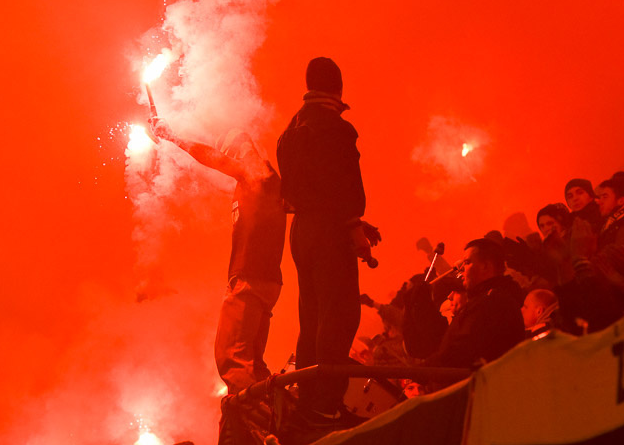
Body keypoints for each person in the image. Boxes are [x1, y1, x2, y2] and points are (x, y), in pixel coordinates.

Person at [277, 57, 380, 420]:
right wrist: (354, 225)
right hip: (329, 230)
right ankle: (327, 406)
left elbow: (301, 188)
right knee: (340, 315)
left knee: (312, 316)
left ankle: (308, 400)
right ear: (338, 87)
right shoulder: (336, 128)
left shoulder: (290, 129)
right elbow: (343, 184)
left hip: (301, 231)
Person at [152, 124, 285, 395]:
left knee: (232, 359)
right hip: (266, 282)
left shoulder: (256, 172)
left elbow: (210, 157)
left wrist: (172, 134)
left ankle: (255, 424)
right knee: (254, 364)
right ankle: (275, 416)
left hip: (249, 280)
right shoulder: (265, 182)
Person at [403, 238, 524, 370]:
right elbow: (441, 342)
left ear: (486, 267)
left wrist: (418, 374)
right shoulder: (482, 301)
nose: (461, 268)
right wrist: (418, 307)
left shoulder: (493, 302)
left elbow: (457, 352)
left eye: (467, 262)